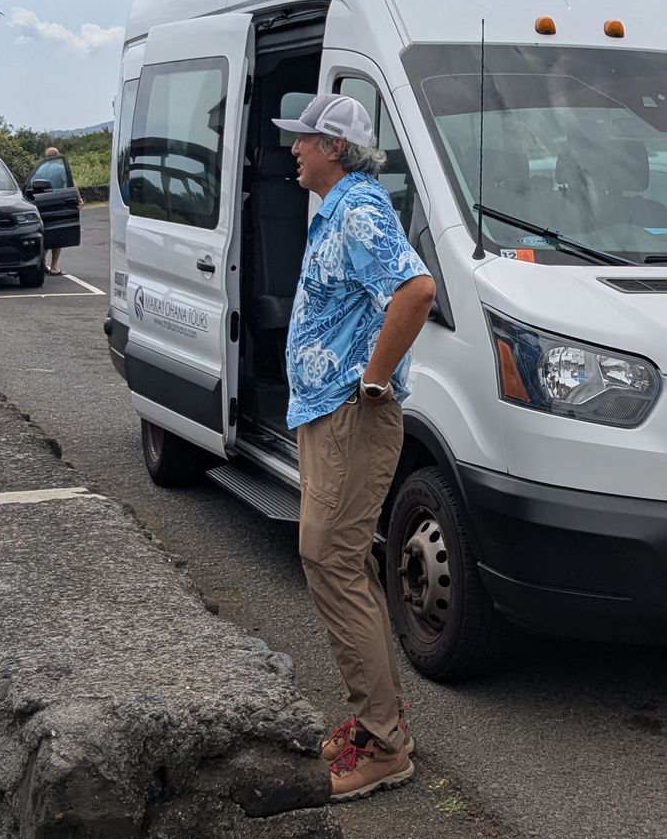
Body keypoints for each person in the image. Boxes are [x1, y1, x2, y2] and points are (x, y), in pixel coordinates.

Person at [271, 95, 436, 802]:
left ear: (334, 147)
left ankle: (384, 745)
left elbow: (416, 291)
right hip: (327, 412)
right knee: (339, 561)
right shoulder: (337, 208)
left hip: (349, 414)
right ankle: (381, 720)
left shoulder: (359, 208)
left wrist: (372, 381)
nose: (294, 149)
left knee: (329, 559)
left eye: (304, 139)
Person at [33, 146, 83, 275]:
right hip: (57, 202)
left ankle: (42, 264)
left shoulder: (40, 169)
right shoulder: (60, 168)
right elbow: (71, 185)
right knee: (58, 233)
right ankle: (54, 267)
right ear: (58, 156)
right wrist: (78, 199)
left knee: (45, 233)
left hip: (41, 203)